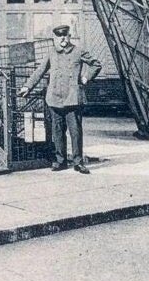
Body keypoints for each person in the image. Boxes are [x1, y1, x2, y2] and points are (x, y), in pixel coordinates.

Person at [19, 24, 102, 174]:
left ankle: (78, 162)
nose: (63, 38)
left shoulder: (78, 51)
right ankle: (60, 161)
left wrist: (86, 77)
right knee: (57, 131)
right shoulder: (51, 53)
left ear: (70, 36)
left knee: (75, 132)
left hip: (72, 98)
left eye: (65, 35)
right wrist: (27, 86)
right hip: (54, 98)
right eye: (59, 36)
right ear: (54, 38)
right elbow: (40, 71)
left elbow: (96, 64)